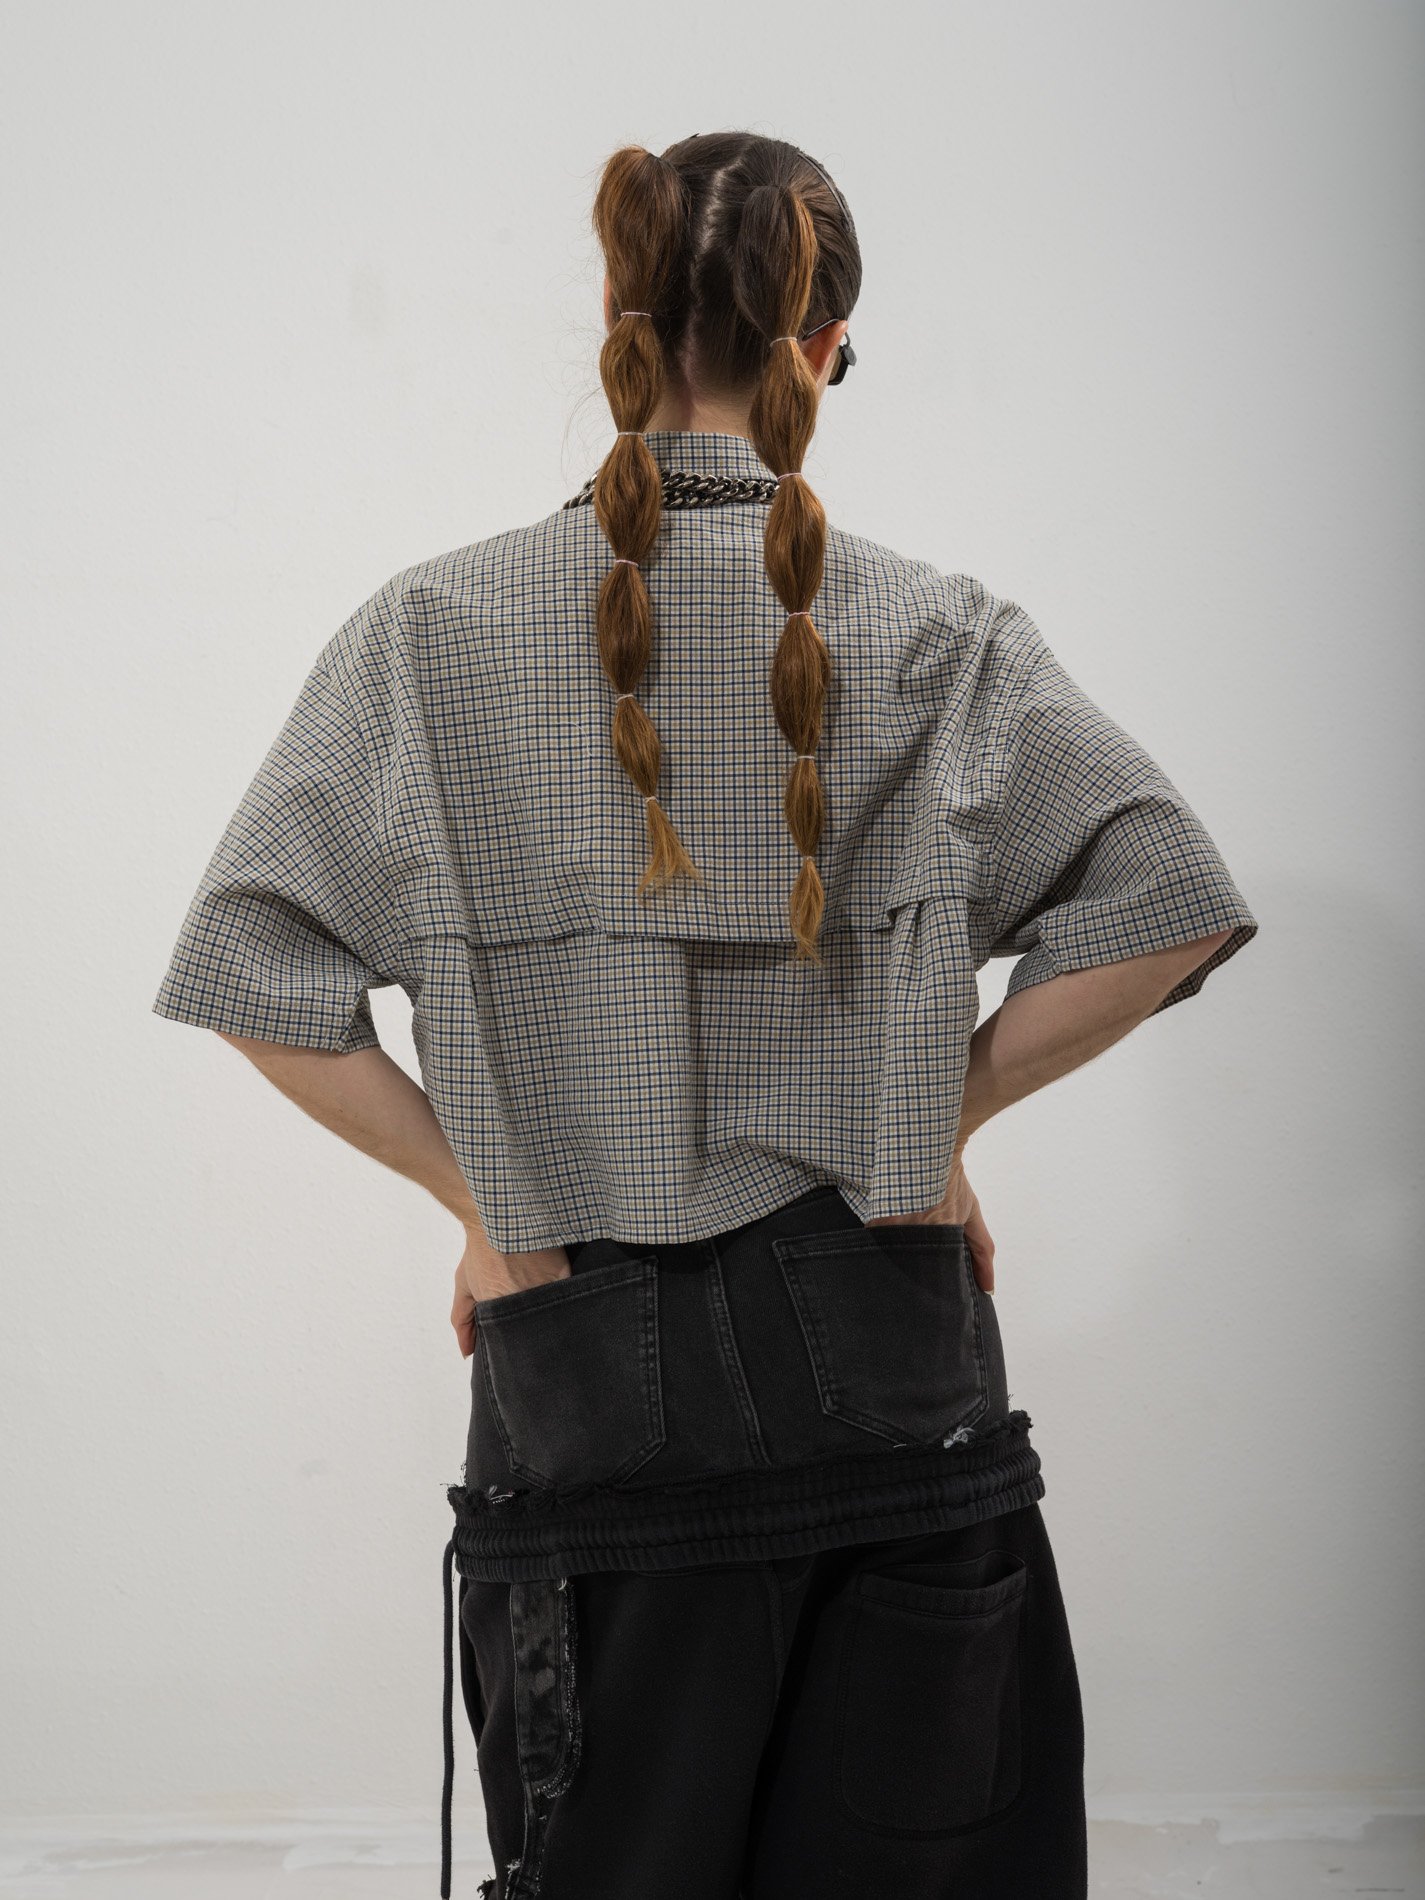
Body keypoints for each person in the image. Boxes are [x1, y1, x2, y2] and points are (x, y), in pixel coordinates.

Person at [151, 131, 1259, 1900]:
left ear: (618, 307)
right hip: (886, 1346)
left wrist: (479, 1206)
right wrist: (934, 1118)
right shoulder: (942, 634)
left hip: (582, 1362)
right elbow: (1168, 894)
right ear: (823, 344)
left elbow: (248, 967)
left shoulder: (426, 636)